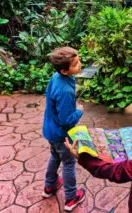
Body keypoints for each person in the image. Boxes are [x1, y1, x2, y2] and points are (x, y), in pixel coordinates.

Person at [42, 46, 86, 212]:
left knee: (54, 156)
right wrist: (79, 111)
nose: (80, 65)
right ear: (64, 70)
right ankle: (70, 198)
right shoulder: (65, 90)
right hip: (62, 135)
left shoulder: (56, 77)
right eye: (75, 64)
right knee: (68, 162)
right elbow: (66, 121)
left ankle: (49, 186)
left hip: (50, 130)